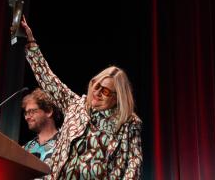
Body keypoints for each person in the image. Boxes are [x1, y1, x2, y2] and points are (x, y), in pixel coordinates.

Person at [20, 16, 143, 179]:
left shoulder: (128, 123)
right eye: (96, 85)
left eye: (105, 91)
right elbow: (48, 80)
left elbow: (133, 167)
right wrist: (31, 43)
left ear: (116, 98)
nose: (97, 93)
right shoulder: (76, 105)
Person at [22, 88, 62, 165]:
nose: (27, 117)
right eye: (26, 113)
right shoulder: (26, 148)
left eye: (31, 112)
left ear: (49, 111)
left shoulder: (63, 143)